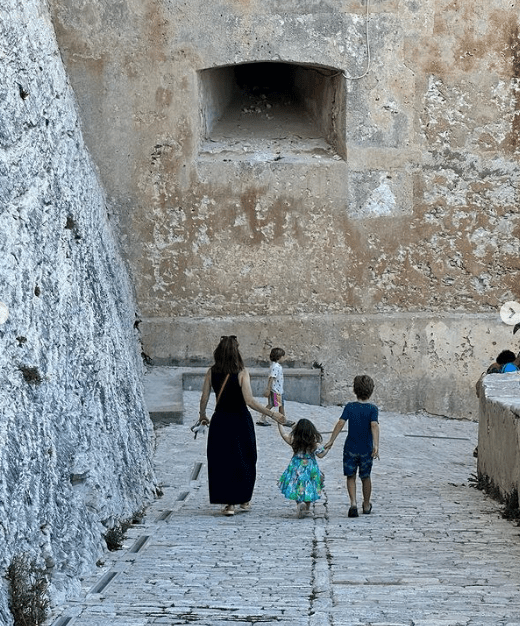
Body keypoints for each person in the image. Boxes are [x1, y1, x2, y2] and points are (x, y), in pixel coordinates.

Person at [199, 335, 286, 516]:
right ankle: (244, 498)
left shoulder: (211, 372)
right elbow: (249, 400)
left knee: (222, 460)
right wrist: (272, 414)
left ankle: (229, 504)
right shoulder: (242, 372)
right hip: (240, 421)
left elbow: (205, 397)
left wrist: (202, 415)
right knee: (245, 458)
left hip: (220, 420)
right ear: (237, 351)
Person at [325, 375, 379, 518]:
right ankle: (366, 505)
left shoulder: (350, 407)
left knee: (351, 476)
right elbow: (374, 425)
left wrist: (331, 440)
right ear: (371, 391)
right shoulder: (372, 409)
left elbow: (341, 423)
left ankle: (353, 503)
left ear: (355, 390)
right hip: (366, 449)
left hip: (350, 448)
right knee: (366, 477)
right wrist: (376, 445)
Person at [277, 418, 327, 518]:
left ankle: (299, 503)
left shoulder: (293, 441)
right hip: (310, 467)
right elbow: (321, 455)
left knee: (297, 485)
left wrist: (279, 424)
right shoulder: (314, 444)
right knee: (308, 486)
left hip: (296, 466)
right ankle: (307, 508)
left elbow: (283, 434)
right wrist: (328, 446)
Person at [257, 346, 294, 427]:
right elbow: (271, 378)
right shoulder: (276, 366)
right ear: (279, 357)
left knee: (272, 404)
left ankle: (263, 418)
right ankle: (283, 420)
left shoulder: (274, 365)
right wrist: (268, 389)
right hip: (276, 390)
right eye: (283, 356)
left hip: (276, 389)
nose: (284, 358)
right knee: (279, 405)